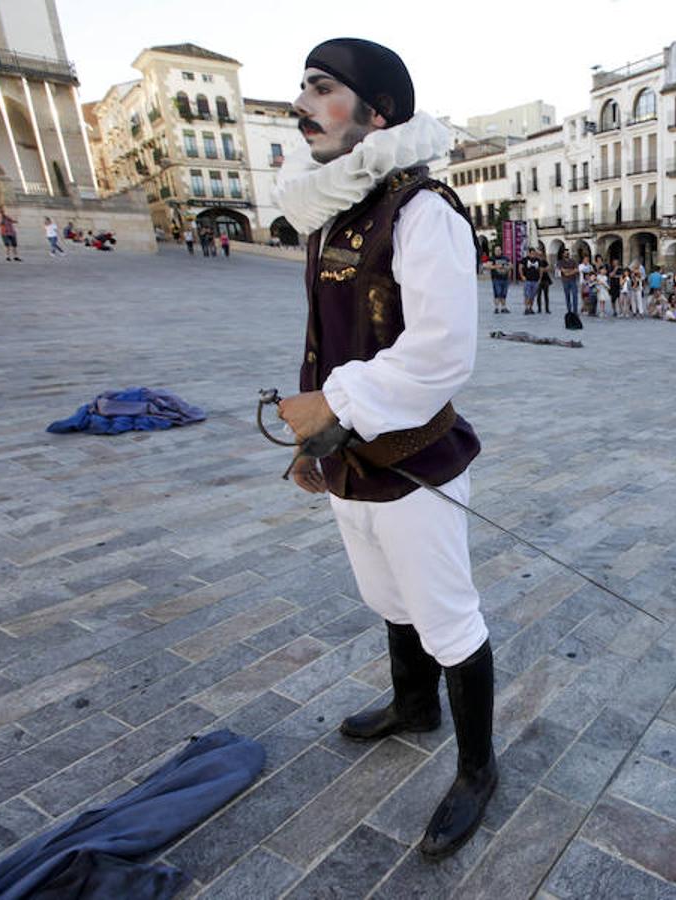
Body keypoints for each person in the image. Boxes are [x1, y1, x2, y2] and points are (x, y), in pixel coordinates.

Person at [273, 37, 495, 859]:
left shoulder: (422, 210)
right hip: (348, 459)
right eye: (302, 88)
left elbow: (442, 351)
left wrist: (331, 404)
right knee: (386, 595)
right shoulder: (335, 209)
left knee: (447, 617)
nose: (301, 105)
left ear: (380, 112)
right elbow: (330, 343)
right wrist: (316, 438)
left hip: (412, 464)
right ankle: (414, 706)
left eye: (322, 89)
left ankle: (477, 769)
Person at [517, 246, 542, 314]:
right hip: (527, 280)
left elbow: (540, 270)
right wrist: (522, 276)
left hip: (535, 280)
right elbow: (520, 267)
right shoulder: (524, 259)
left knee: (532, 296)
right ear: (529, 253)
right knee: (527, 295)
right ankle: (526, 308)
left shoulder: (538, 260)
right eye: (532, 253)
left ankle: (531, 308)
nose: (533, 254)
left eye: (534, 253)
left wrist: (540, 278)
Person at [556, 249, 578, 314]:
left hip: (573, 280)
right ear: (563, 254)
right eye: (565, 253)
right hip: (565, 281)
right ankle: (569, 310)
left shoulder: (573, 261)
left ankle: (575, 311)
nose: (567, 254)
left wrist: (568, 272)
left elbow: (576, 270)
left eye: (568, 253)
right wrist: (571, 270)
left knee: (575, 295)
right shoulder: (560, 262)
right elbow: (563, 271)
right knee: (567, 296)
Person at [536, 248, 552, 314]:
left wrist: (543, 269)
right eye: (538, 254)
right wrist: (541, 270)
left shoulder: (544, 261)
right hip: (538, 280)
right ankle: (539, 309)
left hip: (545, 280)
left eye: (540, 254)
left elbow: (549, 267)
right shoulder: (535, 261)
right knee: (538, 295)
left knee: (546, 295)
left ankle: (547, 309)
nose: (539, 255)